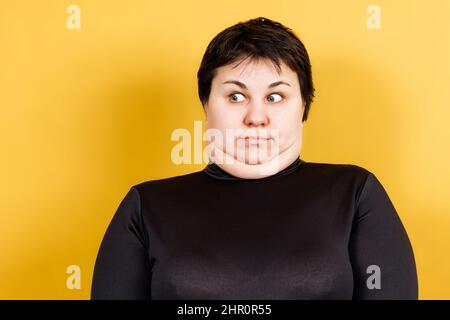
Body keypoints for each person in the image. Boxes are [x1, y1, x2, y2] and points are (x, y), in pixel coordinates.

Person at [91, 17, 418, 299]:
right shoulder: (145, 206)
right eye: (236, 96)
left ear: (303, 105)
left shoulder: (356, 193)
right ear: (206, 103)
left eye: (276, 96)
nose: (256, 116)